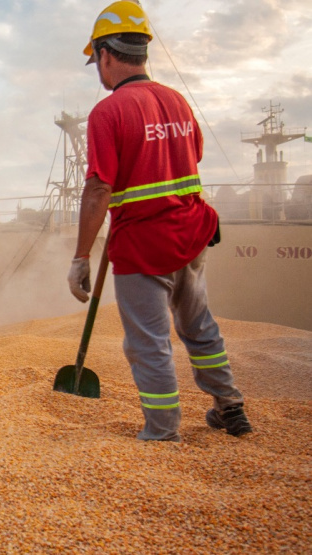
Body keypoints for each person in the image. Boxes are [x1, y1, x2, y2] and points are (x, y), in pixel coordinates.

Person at [68, 1, 252, 441]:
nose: (98, 68)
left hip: (142, 246)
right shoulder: (178, 102)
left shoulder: (107, 113)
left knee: (148, 343)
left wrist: (80, 256)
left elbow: (98, 189)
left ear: (108, 55)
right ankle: (230, 407)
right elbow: (192, 157)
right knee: (198, 327)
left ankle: (163, 430)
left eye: (97, 60)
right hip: (191, 236)